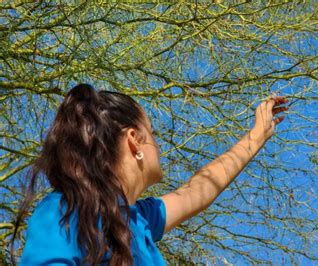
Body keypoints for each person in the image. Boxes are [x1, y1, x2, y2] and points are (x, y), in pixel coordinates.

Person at [10, 83, 289, 265]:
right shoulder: (64, 209)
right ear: (134, 140)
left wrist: (256, 136)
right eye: (152, 134)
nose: (159, 145)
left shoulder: (139, 219)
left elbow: (199, 190)